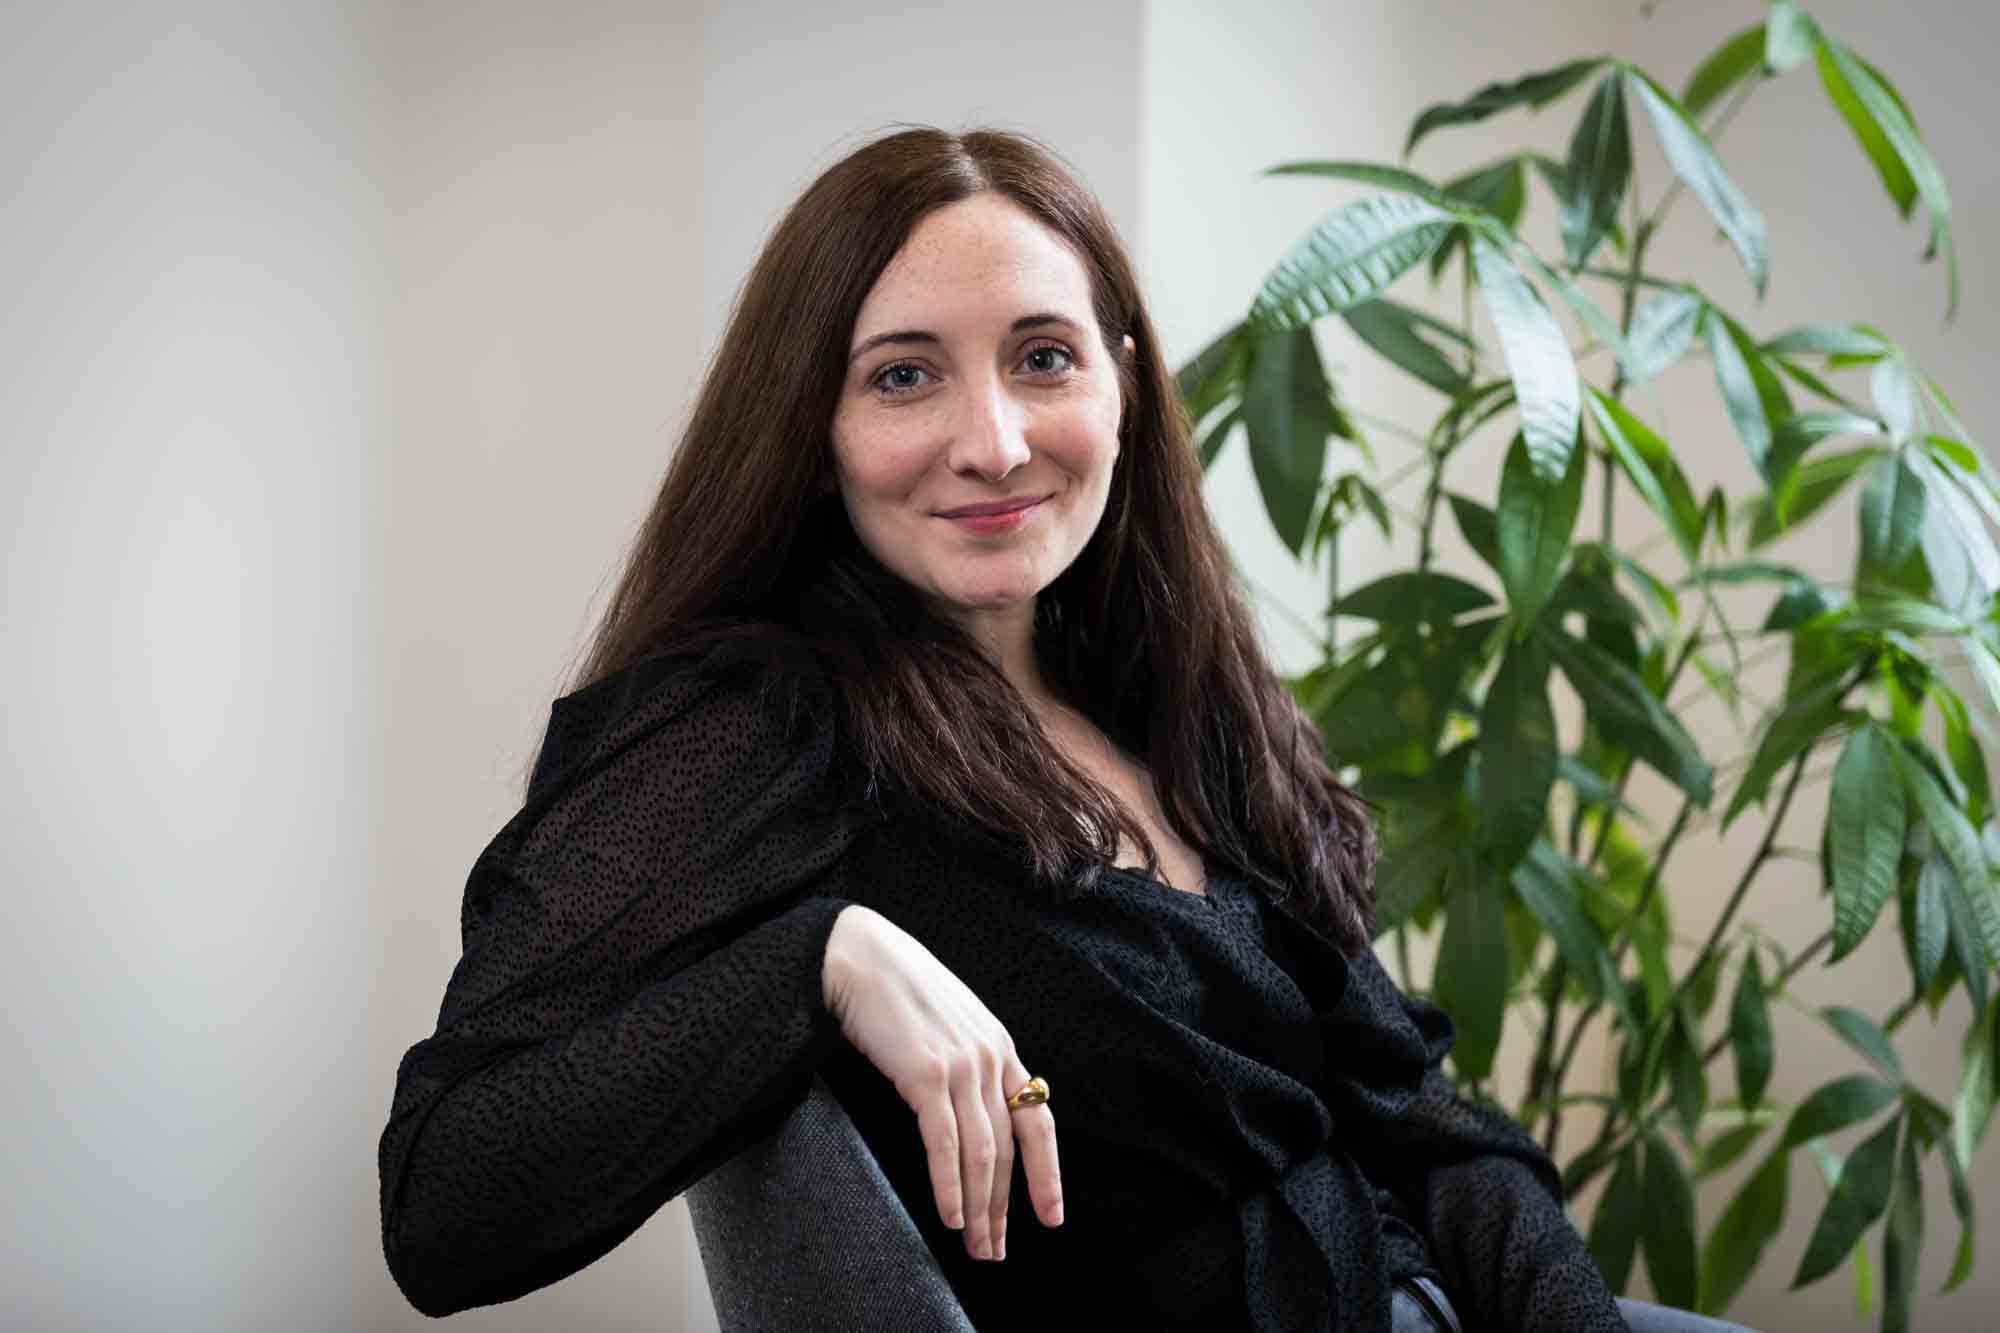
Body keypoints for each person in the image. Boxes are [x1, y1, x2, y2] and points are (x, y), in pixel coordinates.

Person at [377, 125, 1635, 1332]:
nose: (993, 442)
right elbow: (445, 1203)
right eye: (903, 376)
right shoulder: (749, 727)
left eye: (1043, 357)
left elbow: (1416, 1119)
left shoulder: (1172, 701)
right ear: (811, 432)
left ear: (1123, 385)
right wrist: (820, 962)